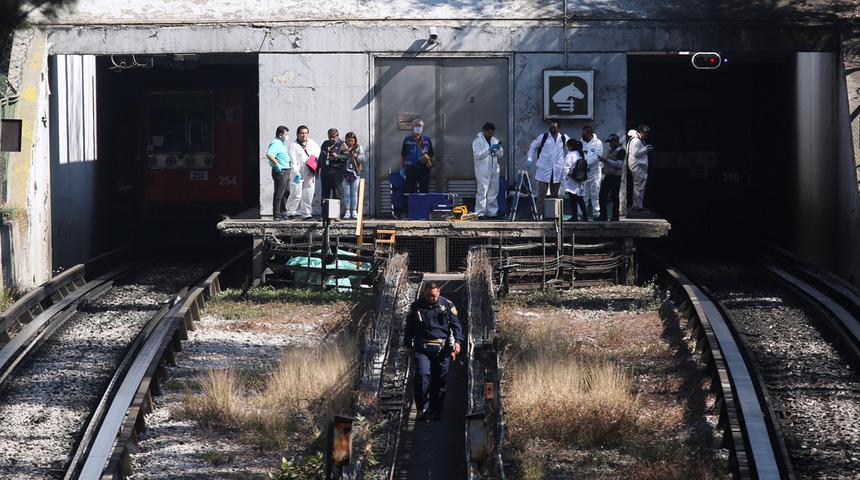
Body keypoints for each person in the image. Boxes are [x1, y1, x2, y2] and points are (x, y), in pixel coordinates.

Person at [403, 282, 463, 421]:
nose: (432, 299)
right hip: (422, 348)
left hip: (441, 349)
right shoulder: (416, 306)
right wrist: (407, 345)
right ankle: (422, 409)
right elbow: (409, 327)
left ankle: (436, 411)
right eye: (429, 296)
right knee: (422, 376)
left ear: (439, 293)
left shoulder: (447, 305)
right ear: (424, 293)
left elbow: (456, 326)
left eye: (434, 296)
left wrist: (458, 343)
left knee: (439, 380)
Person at [527, 121, 569, 219]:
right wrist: (529, 159)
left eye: (554, 127)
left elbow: (572, 146)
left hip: (557, 169)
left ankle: (553, 215)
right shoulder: (543, 137)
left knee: (555, 194)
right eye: (551, 126)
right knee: (542, 193)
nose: (552, 128)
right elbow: (533, 146)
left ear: (559, 127)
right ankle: (538, 214)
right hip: (544, 168)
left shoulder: (563, 138)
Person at [285, 125, 321, 220]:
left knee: (308, 193)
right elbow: (292, 160)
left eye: (305, 133)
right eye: (301, 133)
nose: (304, 135)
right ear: (297, 134)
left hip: (309, 172)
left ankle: (306, 214)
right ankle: (291, 212)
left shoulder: (312, 143)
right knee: (296, 193)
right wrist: (296, 173)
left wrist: (315, 164)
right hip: (297, 173)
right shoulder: (294, 145)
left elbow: (318, 155)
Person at [471, 122, 504, 219]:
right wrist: (488, 151)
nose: (490, 135)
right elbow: (478, 155)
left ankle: (491, 213)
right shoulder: (477, 142)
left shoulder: (494, 140)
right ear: (484, 131)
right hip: (482, 170)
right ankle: (480, 213)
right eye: (489, 133)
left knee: (493, 191)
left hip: (494, 169)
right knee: (482, 190)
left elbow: (501, 154)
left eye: (492, 133)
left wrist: (497, 149)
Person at [400, 119, 435, 207]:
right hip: (410, 170)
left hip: (424, 170)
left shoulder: (427, 140)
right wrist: (402, 168)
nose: (418, 127)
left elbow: (432, 155)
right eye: (416, 125)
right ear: (412, 127)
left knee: (424, 190)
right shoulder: (407, 140)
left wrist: (430, 162)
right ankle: (406, 211)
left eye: (419, 126)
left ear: (423, 128)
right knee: (408, 191)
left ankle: (424, 210)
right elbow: (403, 155)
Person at [266, 126, 291, 221]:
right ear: (280, 134)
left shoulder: (281, 143)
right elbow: (269, 154)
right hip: (281, 171)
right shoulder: (275, 143)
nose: (287, 136)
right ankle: (277, 215)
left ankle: (283, 212)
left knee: (286, 192)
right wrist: (277, 165)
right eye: (286, 134)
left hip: (287, 170)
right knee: (279, 193)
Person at [597, 133, 625, 221]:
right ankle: (603, 215)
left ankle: (615, 216)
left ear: (616, 141)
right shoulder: (610, 150)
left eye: (611, 142)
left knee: (614, 196)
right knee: (602, 195)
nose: (609, 144)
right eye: (609, 142)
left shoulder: (621, 151)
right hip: (608, 176)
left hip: (616, 176)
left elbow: (619, 165)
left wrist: (606, 160)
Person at [626, 125, 652, 212]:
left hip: (638, 165)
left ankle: (638, 205)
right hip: (637, 166)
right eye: (646, 134)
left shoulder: (638, 139)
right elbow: (635, 153)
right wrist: (646, 148)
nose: (646, 136)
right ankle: (637, 206)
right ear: (641, 132)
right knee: (639, 186)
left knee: (640, 185)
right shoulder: (636, 141)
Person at [580, 125, 603, 220]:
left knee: (595, 194)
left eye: (584, 133)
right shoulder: (581, 141)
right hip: (583, 173)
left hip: (594, 172)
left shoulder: (598, 143)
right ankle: (582, 214)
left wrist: (587, 163)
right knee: (583, 195)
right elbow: (578, 154)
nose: (582, 135)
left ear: (589, 134)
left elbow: (598, 156)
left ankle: (596, 214)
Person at [562, 138, 588, 221]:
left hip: (572, 179)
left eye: (568, 146)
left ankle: (574, 216)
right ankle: (585, 216)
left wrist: (564, 178)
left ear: (571, 146)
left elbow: (566, 167)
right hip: (580, 179)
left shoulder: (570, 155)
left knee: (573, 199)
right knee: (580, 199)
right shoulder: (581, 154)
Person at [340, 132, 365, 219]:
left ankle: (354, 210)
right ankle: (347, 210)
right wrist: (345, 154)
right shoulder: (343, 147)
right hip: (345, 172)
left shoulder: (359, 148)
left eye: (352, 140)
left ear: (355, 140)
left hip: (355, 173)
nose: (350, 142)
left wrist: (356, 156)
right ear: (346, 140)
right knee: (346, 193)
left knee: (354, 193)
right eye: (349, 140)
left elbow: (363, 159)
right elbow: (340, 158)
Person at [319, 128, 346, 202]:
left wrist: (338, 156)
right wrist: (318, 167)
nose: (332, 139)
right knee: (325, 194)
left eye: (334, 137)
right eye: (330, 137)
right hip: (325, 173)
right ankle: (324, 212)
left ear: (337, 136)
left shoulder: (342, 144)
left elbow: (347, 157)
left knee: (337, 194)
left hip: (336, 173)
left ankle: (336, 213)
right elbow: (321, 156)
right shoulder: (325, 143)